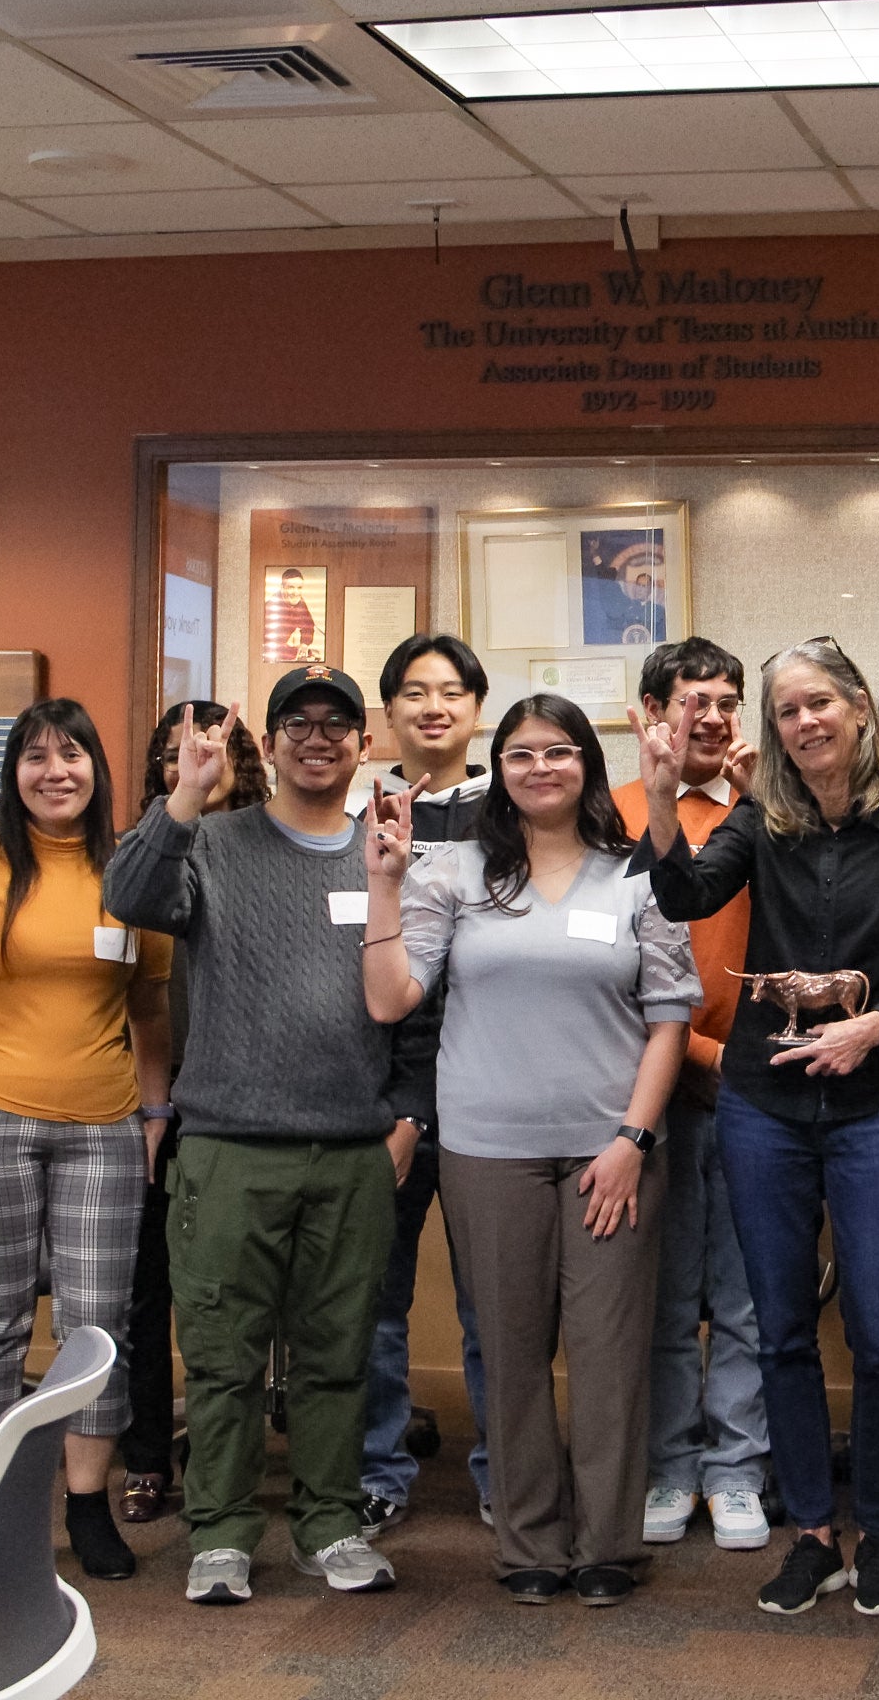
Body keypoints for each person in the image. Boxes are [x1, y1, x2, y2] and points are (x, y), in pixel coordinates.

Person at [631, 636, 879, 1618]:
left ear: (859, 709)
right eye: (786, 712)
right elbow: (684, 893)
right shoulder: (756, 828)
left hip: (874, 1111)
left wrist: (876, 1026)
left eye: (819, 703)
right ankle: (814, 1533)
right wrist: (654, 785)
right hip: (763, 1110)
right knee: (777, 1332)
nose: (804, 722)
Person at [366, 694, 698, 1605]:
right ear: (498, 770)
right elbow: (394, 1001)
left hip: (612, 1151)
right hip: (487, 1148)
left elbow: (671, 1019)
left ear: (588, 765)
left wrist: (634, 1138)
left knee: (610, 1357)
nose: (540, 767)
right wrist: (386, 885)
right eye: (520, 753)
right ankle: (528, 1547)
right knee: (508, 1355)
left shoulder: (638, 874)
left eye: (559, 751)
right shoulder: (452, 872)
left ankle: (605, 1545)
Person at [104, 665, 403, 1606]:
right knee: (226, 1358)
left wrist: (408, 1120)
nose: (318, 738)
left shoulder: (387, 853)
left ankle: (328, 1523)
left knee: (337, 1354)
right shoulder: (215, 843)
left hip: (353, 1151)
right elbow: (131, 896)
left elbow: (421, 1000)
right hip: (230, 1146)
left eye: (338, 725)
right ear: (268, 745)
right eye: (297, 724)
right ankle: (223, 1534)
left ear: (362, 744)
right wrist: (182, 797)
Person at [0, 698, 171, 1583]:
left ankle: (89, 1507)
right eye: (36, 757)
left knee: (99, 1325)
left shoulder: (131, 872)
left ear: (97, 767)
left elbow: (150, 1007)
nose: (55, 772)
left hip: (103, 1124)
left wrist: (156, 1115)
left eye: (73, 755)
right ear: (12, 772)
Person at [614, 640, 775, 1555]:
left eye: (727, 700)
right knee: (670, 1300)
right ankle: (672, 1466)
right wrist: (697, 1054)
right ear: (650, 711)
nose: (712, 717)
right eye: (692, 700)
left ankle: (738, 1470)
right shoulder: (618, 812)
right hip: (658, 1089)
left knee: (746, 1298)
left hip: (755, 1090)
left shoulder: (763, 815)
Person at [355, 634, 498, 1541]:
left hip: (490, 1090)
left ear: (478, 707)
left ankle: (506, 1470)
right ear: (391, 710)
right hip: (385, 1097)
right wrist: (400, 1106)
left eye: (451, 691)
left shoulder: (516, 807)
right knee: (375, 1299)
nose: (433, 707)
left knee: (498, 1303)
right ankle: (377, 1469)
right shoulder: (357, 812)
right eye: (414, 692)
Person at [118, 702, 266, 1525]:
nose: (203, 761)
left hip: (238, 1102)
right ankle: (145, 1459)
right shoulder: (142, 855)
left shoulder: (268, 851)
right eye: (182, 751)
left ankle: (235, 1466)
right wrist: (152, 1102)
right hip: (144, 1103)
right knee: (145, 1288)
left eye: (221, 747)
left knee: (232, 1297)